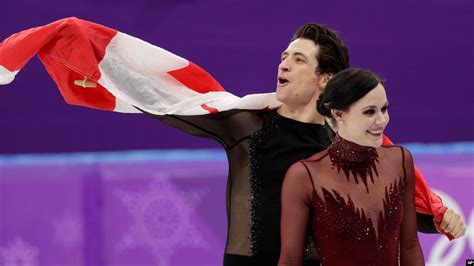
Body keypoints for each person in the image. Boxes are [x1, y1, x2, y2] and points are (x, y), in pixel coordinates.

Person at [0, 19, 466, 265]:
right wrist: (73, 44)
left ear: (326, 79)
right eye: (284, 55)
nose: (283, 63)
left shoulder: (351, 147)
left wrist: (441, 216)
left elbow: (396, 211)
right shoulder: (247, 125)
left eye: (298, 59)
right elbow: (161, 95)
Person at [279, 68, 424, 266]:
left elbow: (410, 246)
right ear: (338, 114)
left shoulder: (400, 160)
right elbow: (289, 260)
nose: (382, 120)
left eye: (384, 109)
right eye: (370, 112)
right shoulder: (304, 176)